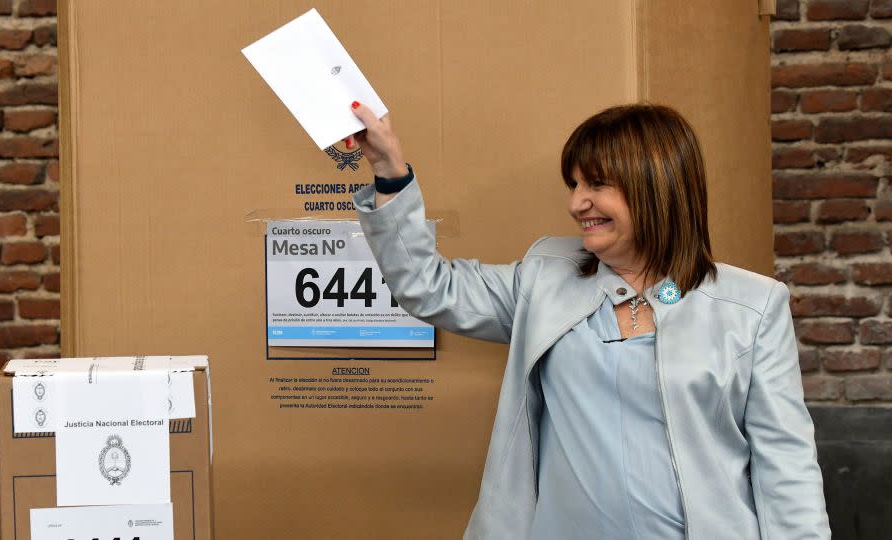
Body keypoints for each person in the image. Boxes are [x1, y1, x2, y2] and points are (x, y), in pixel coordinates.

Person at [344, 101, 830, 540]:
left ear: (655, 184)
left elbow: (785, 465)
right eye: (574, 184)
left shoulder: (751, 308)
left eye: (596, 184)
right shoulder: (544, 278)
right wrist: (390, 170)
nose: (577, 202)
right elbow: (427, 287)